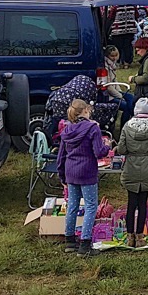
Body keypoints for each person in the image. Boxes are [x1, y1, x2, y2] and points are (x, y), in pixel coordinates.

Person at [56, 98, 108, 254]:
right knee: (91, 206)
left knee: (72, 205)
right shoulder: (93, 128)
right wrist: (108, 146)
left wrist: (62, 176)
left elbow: (61, 156)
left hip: (70, 172)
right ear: (86, 110)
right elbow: (99, 152)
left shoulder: (66, 130)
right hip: (87, 172)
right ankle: (85, 244)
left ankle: (70, 241)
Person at [114, 97, 148, 248]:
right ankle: (140, 237)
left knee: (131, 204)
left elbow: (121, 149)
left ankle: (130, 238)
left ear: (136, 110)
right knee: (143, 204)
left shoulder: (127, 126)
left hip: (131, 168)